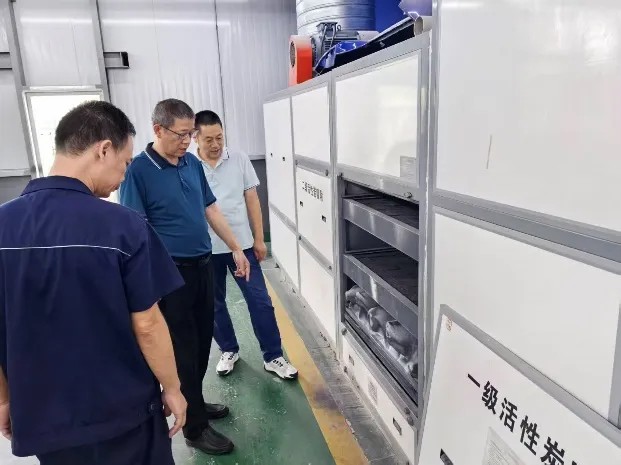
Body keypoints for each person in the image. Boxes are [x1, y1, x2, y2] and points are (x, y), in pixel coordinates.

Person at [0, 101, 187, 465]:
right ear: (104, 150)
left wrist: (5, 399)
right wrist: (173, 388)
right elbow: (147, 325)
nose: (123, 176)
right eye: (125, 163)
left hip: (45, 421)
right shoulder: (124, 227)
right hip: (123, 415)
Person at [120, 99, 249, 456]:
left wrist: (236, 247)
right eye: (181, 134)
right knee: (182, 348)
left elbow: (210, 208)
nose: (187, 141)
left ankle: (195, 401)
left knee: (204, 339)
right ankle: (194, 428)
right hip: (170, 275)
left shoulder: (191, 163)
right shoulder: (138, 171)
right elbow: (135, 229)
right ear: (157, 129)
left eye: (190, 134)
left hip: (203, 266)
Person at [194, 110, 298, 380]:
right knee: (213, 304)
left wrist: (259, 239)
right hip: (206, 250)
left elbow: (252, 199)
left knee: (260, 301)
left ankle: (273, 356)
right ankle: (228, 350)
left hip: (242, 246)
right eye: (209, 139)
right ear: (196, 138)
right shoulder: (189, 165)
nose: (216, 144)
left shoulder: (239, 159)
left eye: (220, 137)